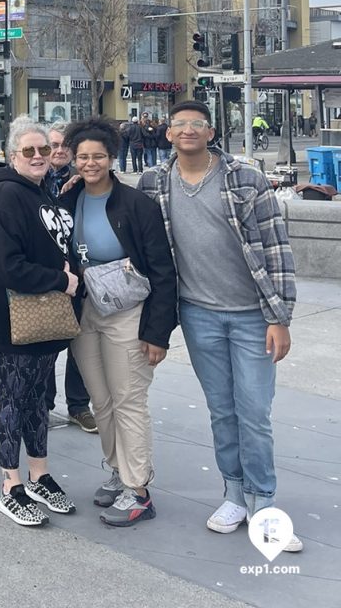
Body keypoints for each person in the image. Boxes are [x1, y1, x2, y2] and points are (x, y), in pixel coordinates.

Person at [139, 100, 302, 552]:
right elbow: (117, 203)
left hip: (253, 315)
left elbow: (276, 248)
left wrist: (279, 317)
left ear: (210, 133)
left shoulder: (244, 178)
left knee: (255, 411)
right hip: (197, 313)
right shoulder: (155, 181)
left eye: (197, 124)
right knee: (222, 410)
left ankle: (264, 502)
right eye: (179, 125)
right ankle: (233, 494)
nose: (188, 130)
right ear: (167, 133)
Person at [60, 117, 177, 526]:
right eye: (83, 157)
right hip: (87, 310)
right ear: (73, 160)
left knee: (129, 400)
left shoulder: (136, 204)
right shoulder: (69, 199)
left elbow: (163, 269)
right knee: (101, 399)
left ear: (112, 157)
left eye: (98, 156)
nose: (90, 163)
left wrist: (157, 332)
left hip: (130, 312)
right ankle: (118, 471)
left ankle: (139, 488)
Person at [0, 116, 78, 527]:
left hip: (43, 316)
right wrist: (62, 279)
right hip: (11, 317)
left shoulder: (42, 193)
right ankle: (10, 485)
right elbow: (7, 266)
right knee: (12, 399)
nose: (39, 156)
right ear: (12, 155)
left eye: (45, 149)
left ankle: (39, 473)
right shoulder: (6, 197)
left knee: (38, 399)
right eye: (29, 151)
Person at [44, 124, 95, 434]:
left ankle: (78, 405)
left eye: (64, 146)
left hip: (79, 273)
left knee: (80, 341)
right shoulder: (33, 177)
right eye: (53, 145)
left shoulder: (82, 183)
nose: (58, 150)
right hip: (48, 276)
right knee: (46, 339)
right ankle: (44, 403)